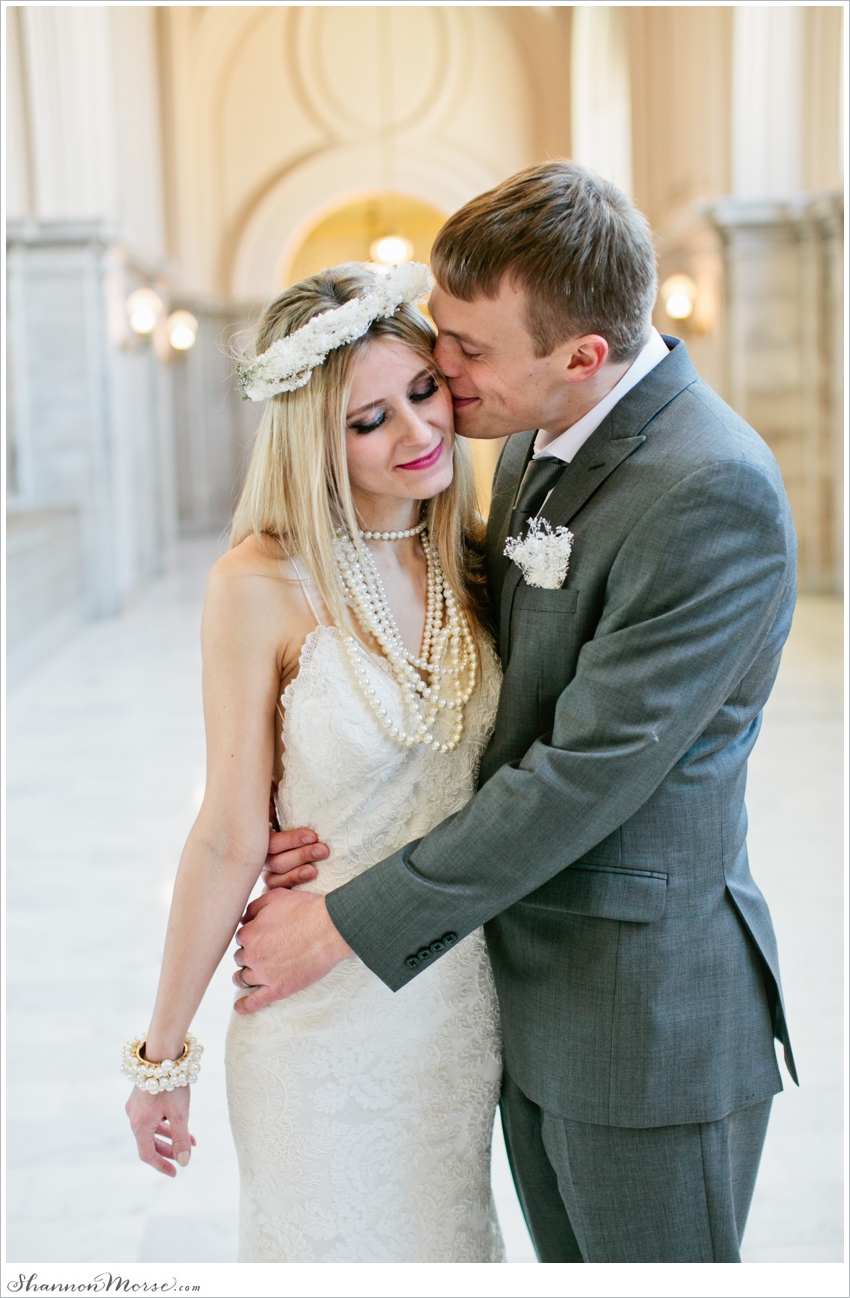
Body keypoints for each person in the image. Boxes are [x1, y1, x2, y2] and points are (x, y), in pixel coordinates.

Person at [235, 161, 799, 1264]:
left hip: (644, 1017)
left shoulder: (707, 489)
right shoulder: (533, 437)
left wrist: (348, 916)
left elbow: (581, 772)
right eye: (441, 333)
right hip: (524, 994)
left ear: (582, 356)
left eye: (469, 350)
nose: (443, 371)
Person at [125, 262, 506, 1263]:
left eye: (423, 393)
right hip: (314, 1019)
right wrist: (161, 1055)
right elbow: (224, 833)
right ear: (313, 439)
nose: (418, 434)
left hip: (455, 1007)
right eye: (368, 420)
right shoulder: (258, 583)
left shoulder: (476, 559)